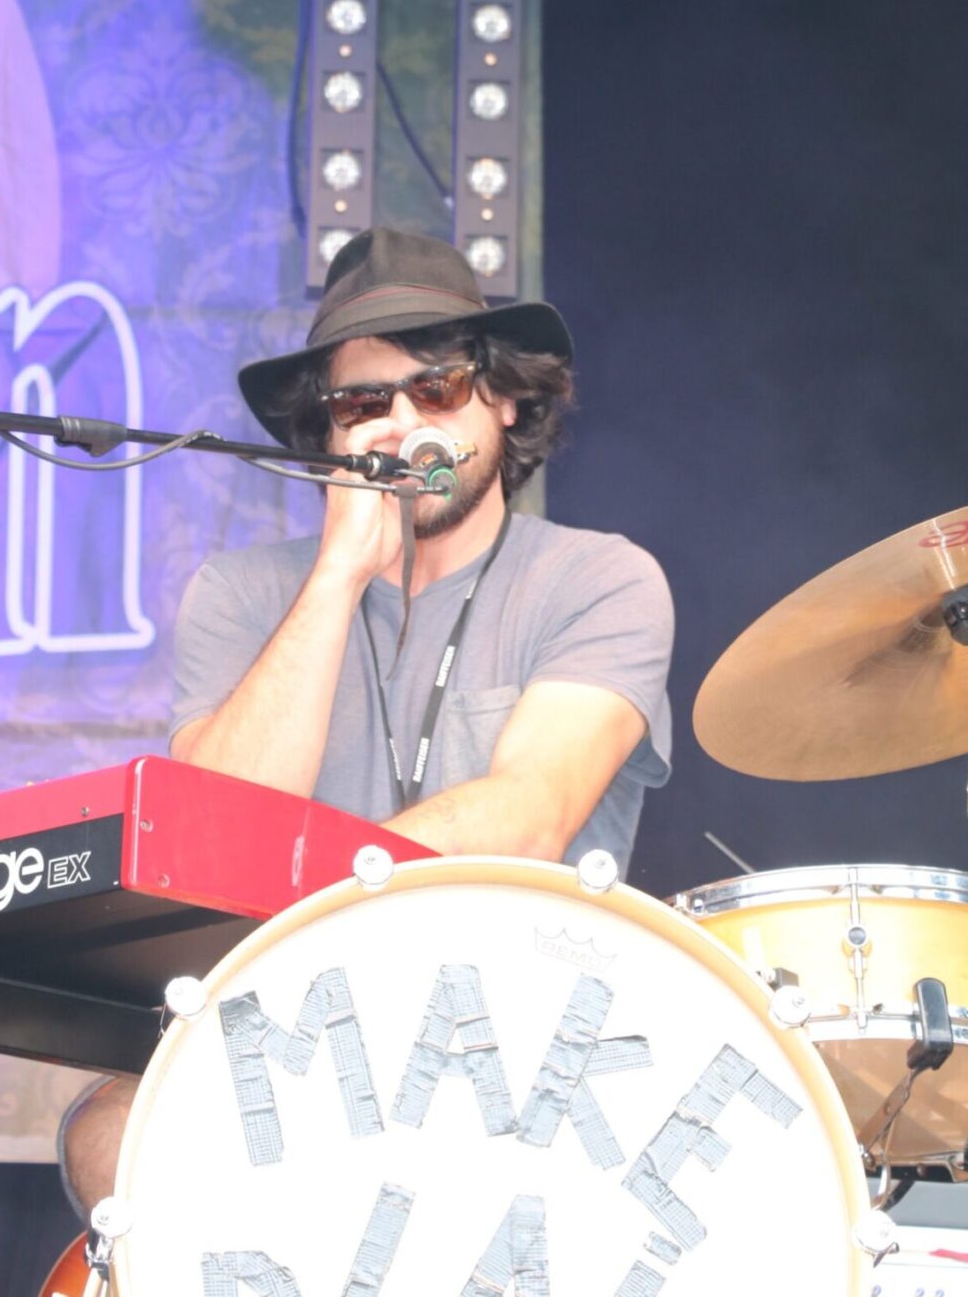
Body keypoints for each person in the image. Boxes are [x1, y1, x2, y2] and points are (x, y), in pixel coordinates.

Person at [60, 226, 674, 1214]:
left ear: (503, 396)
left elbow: (531, 814)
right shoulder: (241, 593)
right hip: (291, 1035)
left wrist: (311, 898)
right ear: (329, 429)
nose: (400, 423)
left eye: (436, 388)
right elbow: (213, 835)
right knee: (112, 1134)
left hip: (518, 1039)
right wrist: (341, 570)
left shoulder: (598, 577)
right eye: (363, 403)